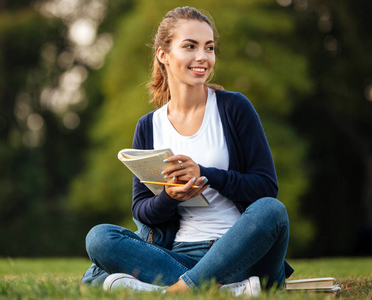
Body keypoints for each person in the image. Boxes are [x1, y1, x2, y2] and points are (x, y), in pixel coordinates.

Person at [82, 6, 293, 296]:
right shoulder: (149, 126)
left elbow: (267, 188)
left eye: (209, 47)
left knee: (272, 211)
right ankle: (220, 290)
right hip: (177, 255)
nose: (202, 57)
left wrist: (206, 175)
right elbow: (142, 211)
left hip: (242, 255)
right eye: (190, 46)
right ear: (163, 55)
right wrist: (170, 196)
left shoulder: (234, 108)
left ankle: (177, 290)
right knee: (99, 237)